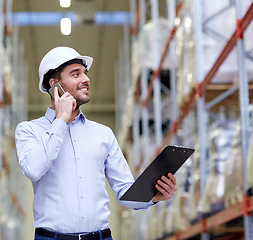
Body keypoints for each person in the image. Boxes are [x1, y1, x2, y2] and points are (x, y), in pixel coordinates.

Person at [15, 46, 177, 240]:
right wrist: (61, 120)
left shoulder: (103, 134)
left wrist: (152, 195)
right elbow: (33, 170)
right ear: (54, 85)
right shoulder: (29, 130)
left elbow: (125, 189)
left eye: (85, 73)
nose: (86, 79)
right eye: (76, 74)